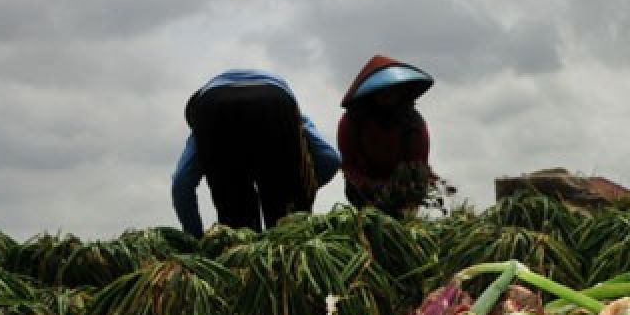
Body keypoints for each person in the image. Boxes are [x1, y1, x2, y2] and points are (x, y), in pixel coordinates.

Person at [172, 69, 341, 236]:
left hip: (213, 106)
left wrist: (194, 236)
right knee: (288, 232)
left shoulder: (202, 123)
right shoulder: (298, 118)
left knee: (240, 232)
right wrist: (300, 189)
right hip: (275, 98)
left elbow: (181, 181)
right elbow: (331, 158)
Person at [337, 55, 437, 216]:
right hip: (363, 191)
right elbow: (348, 165)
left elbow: (418, 166)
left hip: (402, 191)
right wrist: (369, 186)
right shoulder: (352, 121)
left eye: (392, 90)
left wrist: (404, 191)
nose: (387, 95)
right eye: (382, 91)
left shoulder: (413, 124)